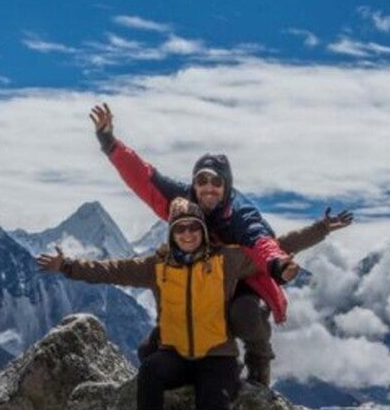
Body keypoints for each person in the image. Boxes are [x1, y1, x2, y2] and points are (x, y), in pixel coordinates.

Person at [36, 198, 351, 410]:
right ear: (172, 233)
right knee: (150, 374)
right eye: (181, 229)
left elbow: (278, 246)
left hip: (218, 354)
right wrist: (68, 266)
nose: (188, 234)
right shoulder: (156, 266)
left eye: (194, 228)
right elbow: (111, 270)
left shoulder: (226, 260)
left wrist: (320, 229)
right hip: (175, 354)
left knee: (211, 398)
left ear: (202, 231)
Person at [90, 103, 292, 386]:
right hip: (199, 281)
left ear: (227, 186)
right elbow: (144, 177)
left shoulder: (240, 215)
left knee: (245, 313)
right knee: (151, 350)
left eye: (216, 182)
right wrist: (109, 142)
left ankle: (258, 360)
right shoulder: (184, 203)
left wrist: (275, 263)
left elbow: (261, 240)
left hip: (241, 282)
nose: (209, 188)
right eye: (202, 181)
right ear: (194, 184)